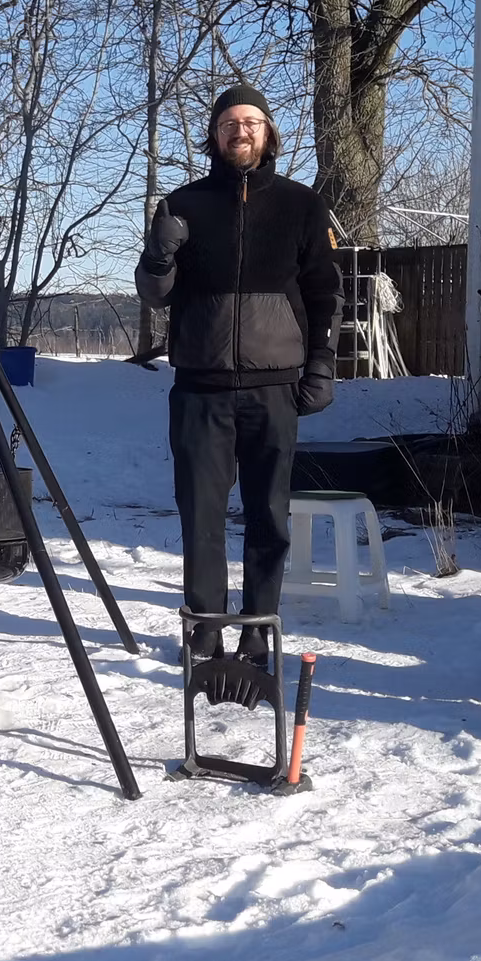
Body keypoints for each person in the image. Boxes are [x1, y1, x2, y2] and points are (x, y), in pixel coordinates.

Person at [134, 84, 341, 667]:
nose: (240, 131)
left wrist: (322, 364)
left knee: (268, 517)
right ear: (215, 136)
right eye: (229, 122)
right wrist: (159, 254)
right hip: (200, 390)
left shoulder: (301, 205)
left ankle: (257, 630)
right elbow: (154, 294)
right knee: (200, 516)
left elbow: (325, 292)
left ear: (268, 133)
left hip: (274, 389)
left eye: (251, 121)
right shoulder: (183, 205)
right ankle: (203, 630)